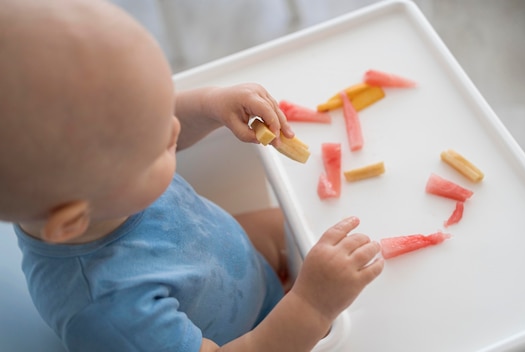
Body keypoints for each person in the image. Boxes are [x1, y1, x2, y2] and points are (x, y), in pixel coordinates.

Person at [0, 0, 384, 351]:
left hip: (231, 258)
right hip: (252, 335)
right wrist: (310, 305)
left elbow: (157, 127)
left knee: (312, 225)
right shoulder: (111, 314)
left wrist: (209, 104)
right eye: (156, 146)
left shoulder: (99, 187)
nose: (173, 130)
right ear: (71, 220)